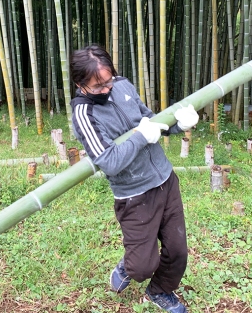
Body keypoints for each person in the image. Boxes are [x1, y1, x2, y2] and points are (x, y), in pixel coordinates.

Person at [70, 45, 199, 313]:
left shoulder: (122, 85)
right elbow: (109, 161)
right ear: (80, 84)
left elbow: (151, 121)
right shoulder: (84, 115)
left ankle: (159, 290)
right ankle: (129, 265)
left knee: (177, 252)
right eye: (98, 86)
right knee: (142, 267)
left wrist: (178, 125)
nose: (107, 89)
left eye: (108, 81)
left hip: (165, 180)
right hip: (134, 195)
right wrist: (141, 137)